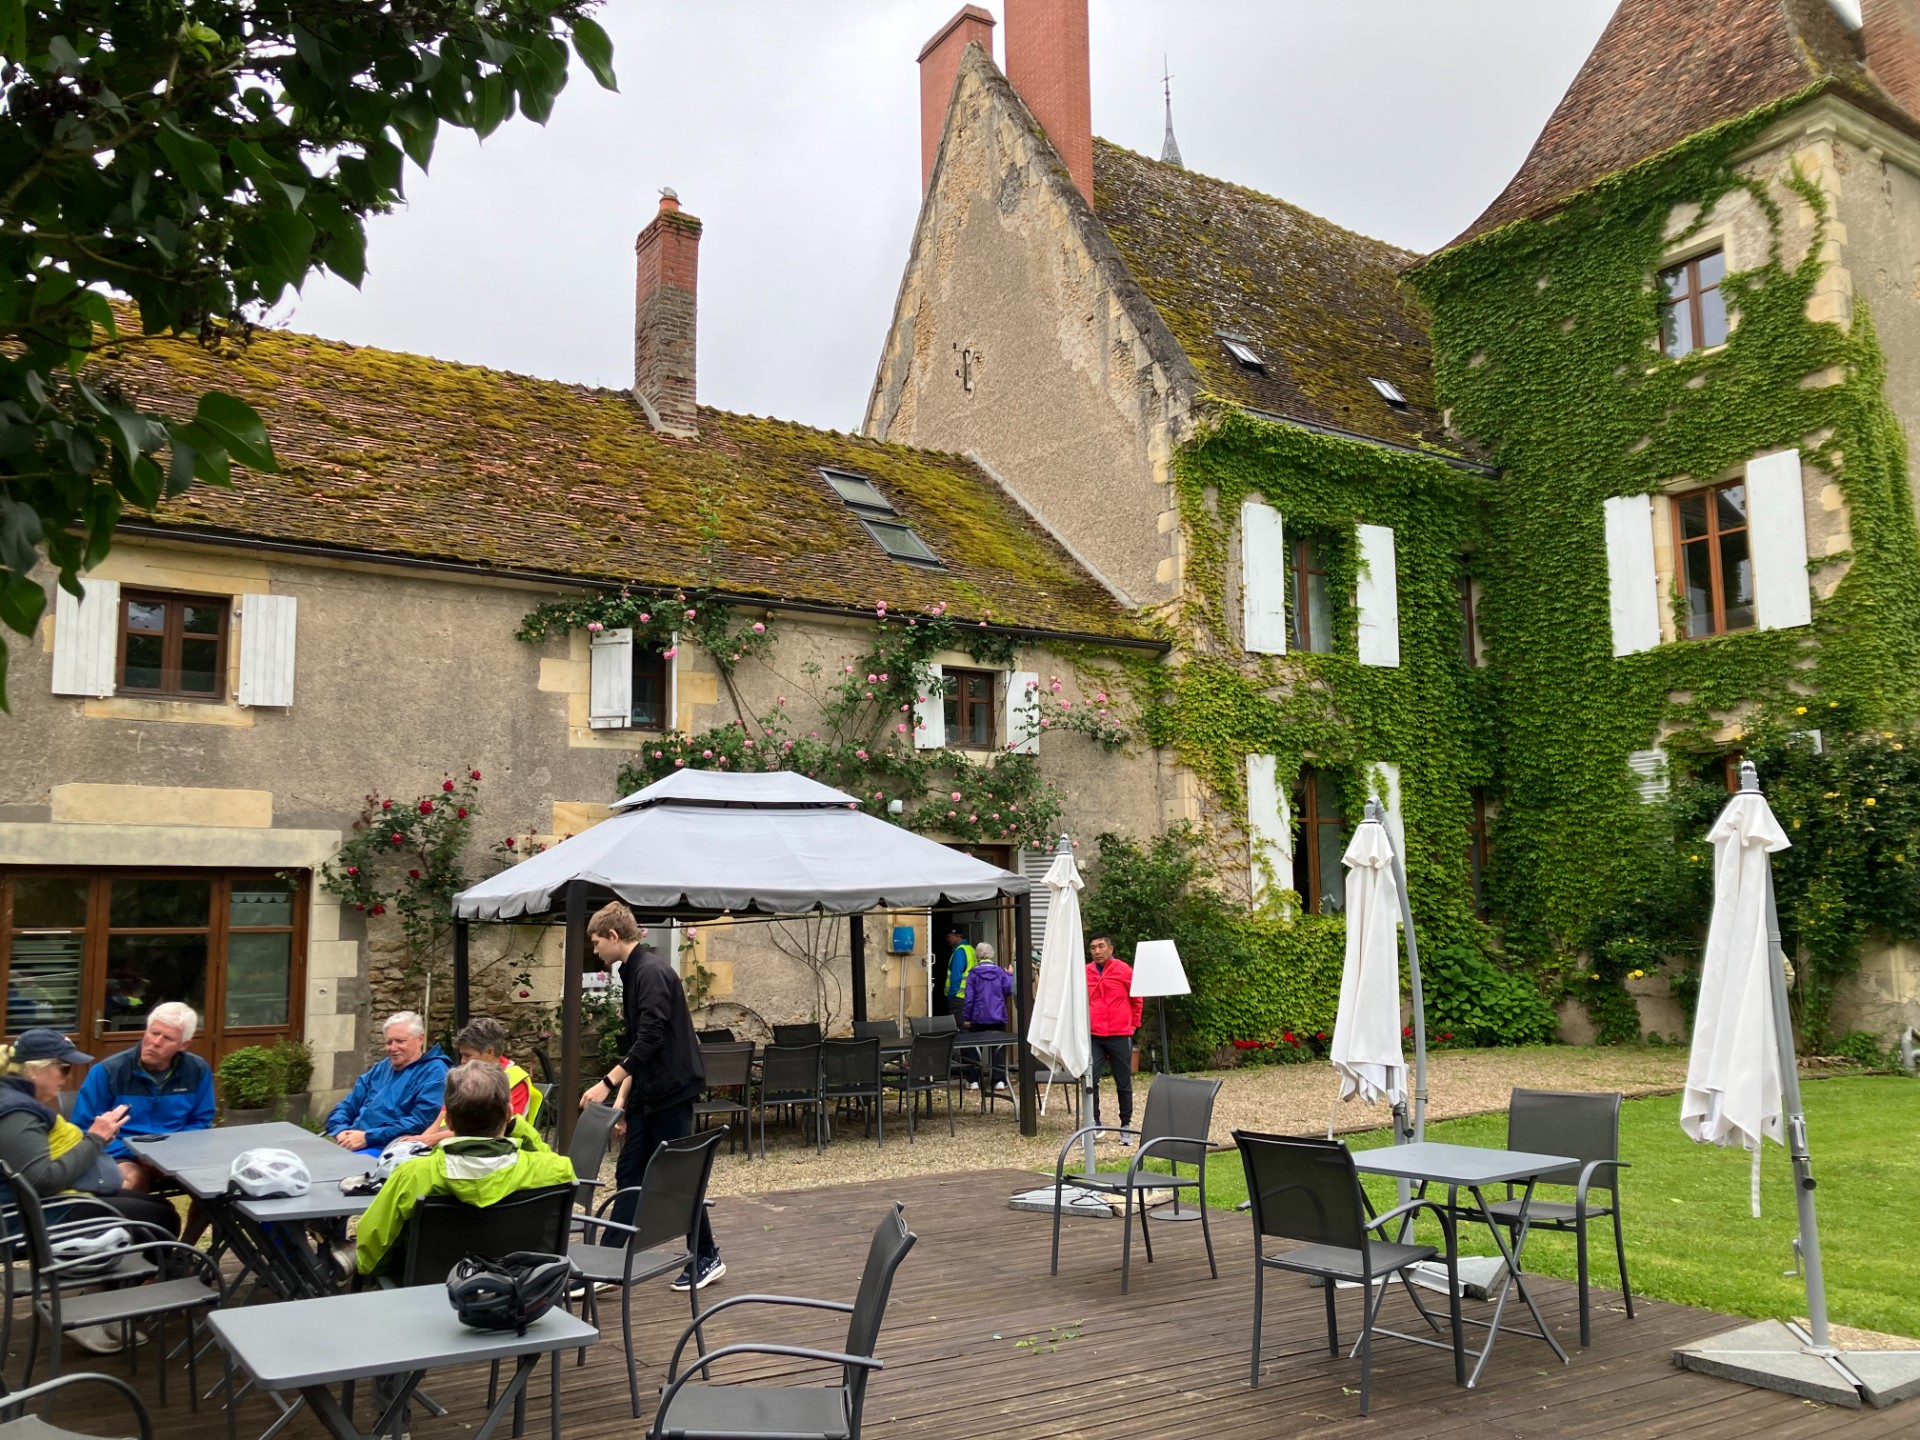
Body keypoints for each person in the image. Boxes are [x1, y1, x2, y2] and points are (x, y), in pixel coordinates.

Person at [578, 901, 724, 1292]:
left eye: (596, 943)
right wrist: (624, 1101)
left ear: (613, 936)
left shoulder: (652, 972)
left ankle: (707, 1255)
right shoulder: (633, 973)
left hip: (673, 1092)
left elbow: (652, 1038)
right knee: (629, 1173)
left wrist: (607, 1085)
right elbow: (638, 1049)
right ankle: (606, 1262)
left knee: (677, 1177)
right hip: (649, 1092)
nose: (594, 952)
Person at [353, 1061, 575, 1279]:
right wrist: (519, 1127)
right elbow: (547, 1157)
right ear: (509, 1115)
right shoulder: (551, 1170)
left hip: (426, 1298)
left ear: (448, 1120)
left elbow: (370, 1253)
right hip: (514, 1296)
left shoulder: (412, 1176)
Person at [0, 1030, 181, 1236]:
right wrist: (95, 1138)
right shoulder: (16, 1112)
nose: (67, 1080)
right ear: (35, 1070)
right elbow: (43, 1181)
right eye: (64, 1069)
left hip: (39, 1208)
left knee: (159, 1206)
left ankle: (159, 1267)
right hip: (31, 1219)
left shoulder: (14, 1101)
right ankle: (157, 1268)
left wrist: (98, 1139)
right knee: (160, 1217)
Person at [71, 1002, 216, 1193]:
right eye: (154, 1033)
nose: (156, 1042)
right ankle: (143, 1221)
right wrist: (137, 1154)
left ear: (183, 1045)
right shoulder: (107, 1071)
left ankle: (195, 1225)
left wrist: (172, 1152)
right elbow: (83, 1128)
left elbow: (201, 1120)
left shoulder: (198, 1070)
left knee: (218, 1179)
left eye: (168, 1038)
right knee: (132, 1179)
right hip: (122, 1152)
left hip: (177, 1152)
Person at [399, 1016, 540, 1147]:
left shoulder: (515, 1080)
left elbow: (497, 1131)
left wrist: (431, 1140)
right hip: (449, 1149)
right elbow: (442, 1116)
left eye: (467, 1055)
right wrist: (418, 1143)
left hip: (490, 1155)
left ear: (490, 1052)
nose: (462, 1061)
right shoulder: (466, 1075)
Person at [325, 1012, 450, 1155]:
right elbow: (347, 1105)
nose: (392, 1047)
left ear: (420, 1039)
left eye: (400, 1041)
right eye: (389, 1042)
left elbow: (420, 1121)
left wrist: (367, 1137)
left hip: (390, 1148)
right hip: (352, 1140)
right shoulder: (381, 1068)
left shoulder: (435, 1072)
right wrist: (341, 1130)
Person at [1086, 933, 1142, 1139]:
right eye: (1093, 947)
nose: (1097, 951)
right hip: (1095, 1035)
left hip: (1120, 1033)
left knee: (1123, 1080)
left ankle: (1125, 1124)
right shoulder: (1086, 972)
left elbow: (1137, 998)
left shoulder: (1123, 970)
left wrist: (1134, 1024)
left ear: (1110, 949)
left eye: (1101, 946)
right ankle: (1095, 1122)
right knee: (1090, 1079)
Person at [958, 941, 1015, 1091]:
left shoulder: (973, 974)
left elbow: (969, 998)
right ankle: (999, 1081)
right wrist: (1009, 974)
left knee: (974, 1049)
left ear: (978, 955)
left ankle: (974, 1080)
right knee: (998, 1049)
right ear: (992, 954)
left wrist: (966, 1018)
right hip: (997, 1016)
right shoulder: (1000, 972)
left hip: (978, 1016)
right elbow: (1008, 990)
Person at [939, 926, 977, 1019]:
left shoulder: (960, 952)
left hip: (958, 998)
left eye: (949, 936)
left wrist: (951, 996)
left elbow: (956, 976)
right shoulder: (971, 949)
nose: (947, 939)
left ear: (957, 936)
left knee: (960, 1028)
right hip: (970, 996)